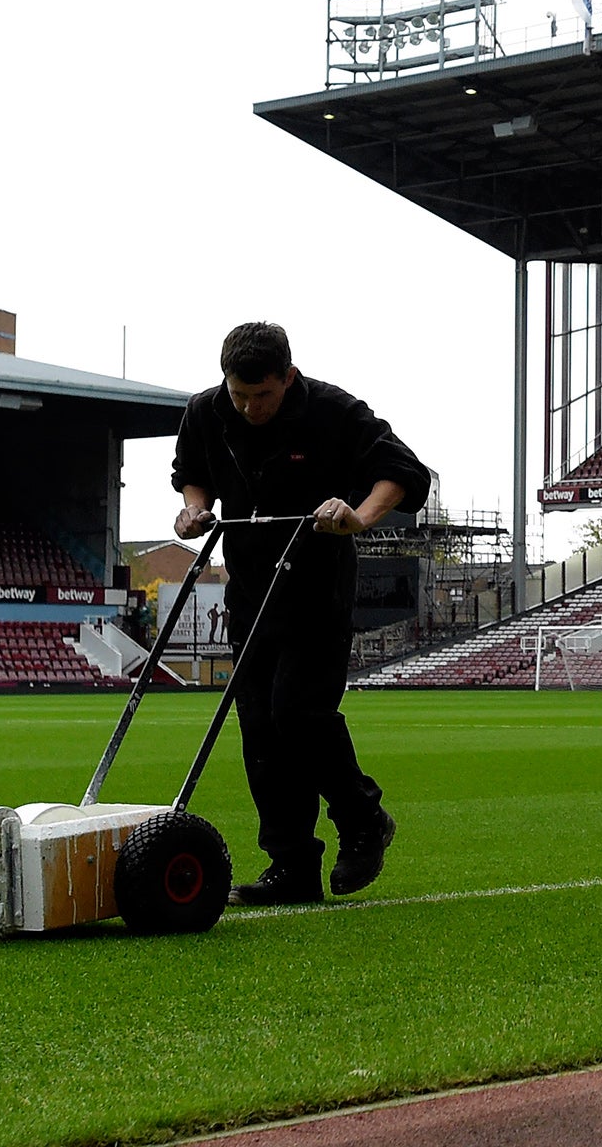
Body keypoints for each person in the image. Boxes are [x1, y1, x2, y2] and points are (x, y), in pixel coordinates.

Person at [170, 321, 431, 905]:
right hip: (249, 589)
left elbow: (405, 471)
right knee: (260, 729)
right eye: (238, 394)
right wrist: (193, 510)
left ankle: (363, 820)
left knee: (298, 712)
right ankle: (291, 866)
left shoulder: (335, 411)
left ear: (288, 377)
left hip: (317, 587)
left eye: (261, 395)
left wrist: (358, 516)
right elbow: (192, 474)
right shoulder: (206, 412)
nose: (248, 407)